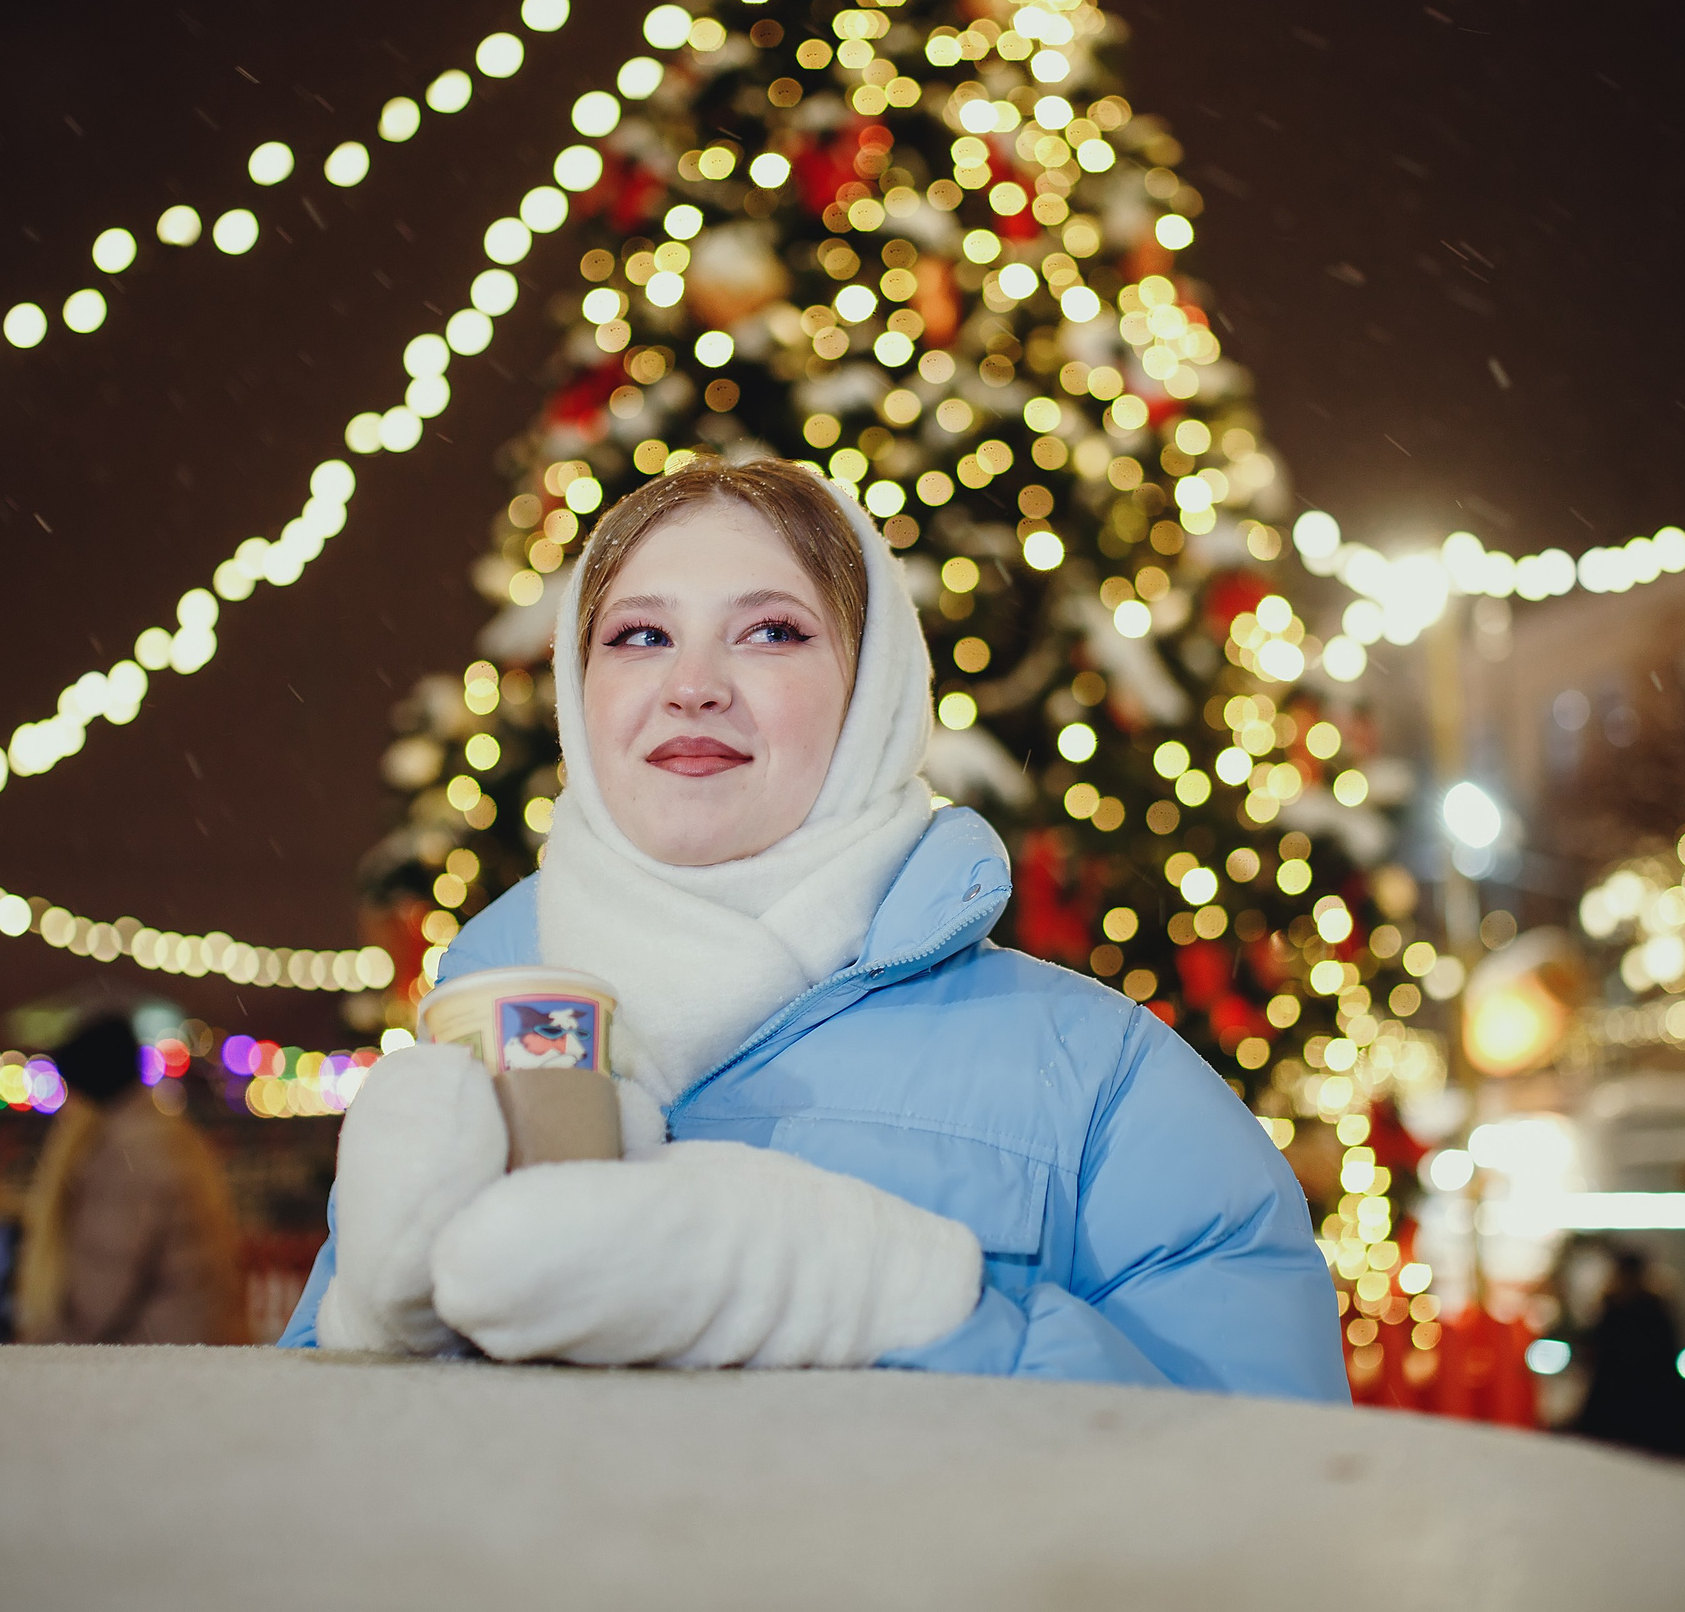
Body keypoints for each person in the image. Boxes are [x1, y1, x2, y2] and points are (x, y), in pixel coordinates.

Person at [279, 458, 1346, 1400]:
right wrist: (370, 1341)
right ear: (578, 689)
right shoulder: (462, 1061)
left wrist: (894, 1302)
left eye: (772, 631)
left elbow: (1281, 1508)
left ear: (872, 693)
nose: (692, 687)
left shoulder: (1105, 1083)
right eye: (639, 635)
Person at [15, 1014, 245, 1345]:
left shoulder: (130, 1154)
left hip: (159, 1358)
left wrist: (39, 1348)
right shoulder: (161, 1133)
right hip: (192, 1345)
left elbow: (100, 1294)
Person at [1572, 1249, 1685, 1455]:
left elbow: (1598, 1354)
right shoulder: (1649, 1309)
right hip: (1641, 1400)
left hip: (1624, 1399)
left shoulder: (1618, 1308)